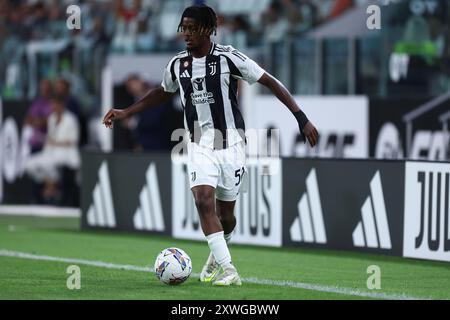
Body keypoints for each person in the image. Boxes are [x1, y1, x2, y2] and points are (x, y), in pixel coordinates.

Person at [102, 4, 318, 286]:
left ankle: (217, 256)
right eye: (184, 29)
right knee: (203, 200)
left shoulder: (230, 59)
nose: (187, 35)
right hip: (198, 144)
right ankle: (230, 271)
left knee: (227, 216)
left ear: (208, 29)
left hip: (231, 145)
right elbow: (162, 92)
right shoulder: (178, 64)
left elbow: (270, 81)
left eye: (193, 29)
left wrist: (301, 118)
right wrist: (126, 112)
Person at [25, 96, 80, 204]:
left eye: (55, 105)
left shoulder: (71, 119)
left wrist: (55, 142)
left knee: (48, 165)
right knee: (29, 164)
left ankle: (51, 189)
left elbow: (72, 141)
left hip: (67, 153)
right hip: (51, 152)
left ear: (61, 105)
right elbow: (50, 138)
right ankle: (52, 186)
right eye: (52, 105)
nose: (53, 108)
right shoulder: (52, 118)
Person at [24, 78, 53, 153]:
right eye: (42, 89)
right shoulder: (37, 102)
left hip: (49, 139)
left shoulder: (54, 103)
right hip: (35, 140)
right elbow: (27, 119)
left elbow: (51, 121)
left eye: (47, 89)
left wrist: (40, 121)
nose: (44, 92)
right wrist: (36, 121)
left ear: (51, 90)